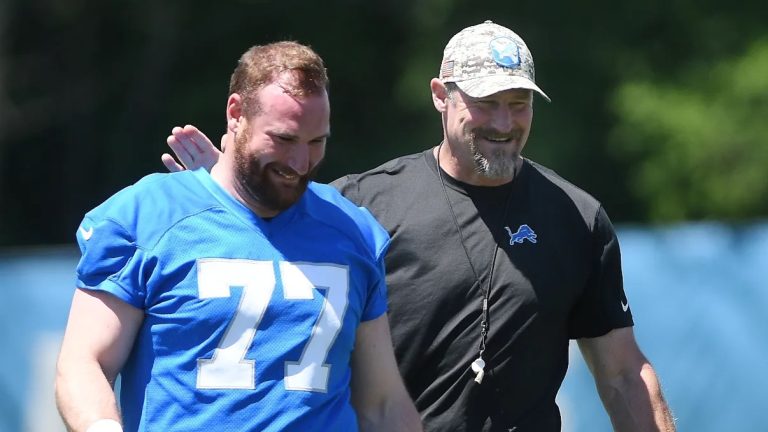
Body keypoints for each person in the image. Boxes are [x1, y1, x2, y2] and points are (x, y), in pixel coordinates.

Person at [162, 22, 676, 431]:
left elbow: (623, 374)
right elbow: (271, 249)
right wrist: (235, 189)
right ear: (440, 95)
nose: (503, 123)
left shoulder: (577, 217)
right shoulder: (363, 204)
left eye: (517, 106)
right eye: (485, 104)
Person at [55, 41, 422, 432]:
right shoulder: (148, 217)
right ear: (236, 114)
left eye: (317, 142)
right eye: (283, 139)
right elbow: (84, 363)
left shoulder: (353, 231)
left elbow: (382, 402)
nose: (301, 163)